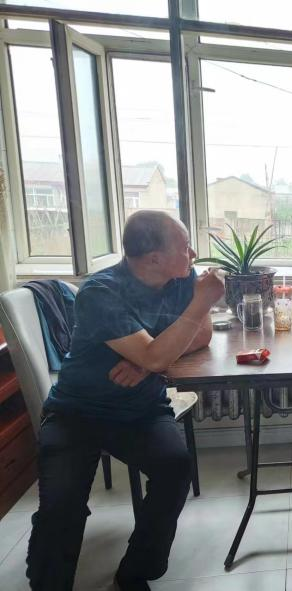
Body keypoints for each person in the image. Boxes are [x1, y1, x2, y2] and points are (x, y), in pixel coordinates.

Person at [26, 211, 226, 591]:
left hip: (140, 410)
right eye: (185, 247)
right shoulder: (100, 293)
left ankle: (135, 571)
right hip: (76, 412)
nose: (193, 254)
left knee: (175, 468)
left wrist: (147, 364)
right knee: (62, 505)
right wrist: (155, 354)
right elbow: (161, 351)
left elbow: (200, 336)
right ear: (154, 258)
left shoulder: (181, 279)